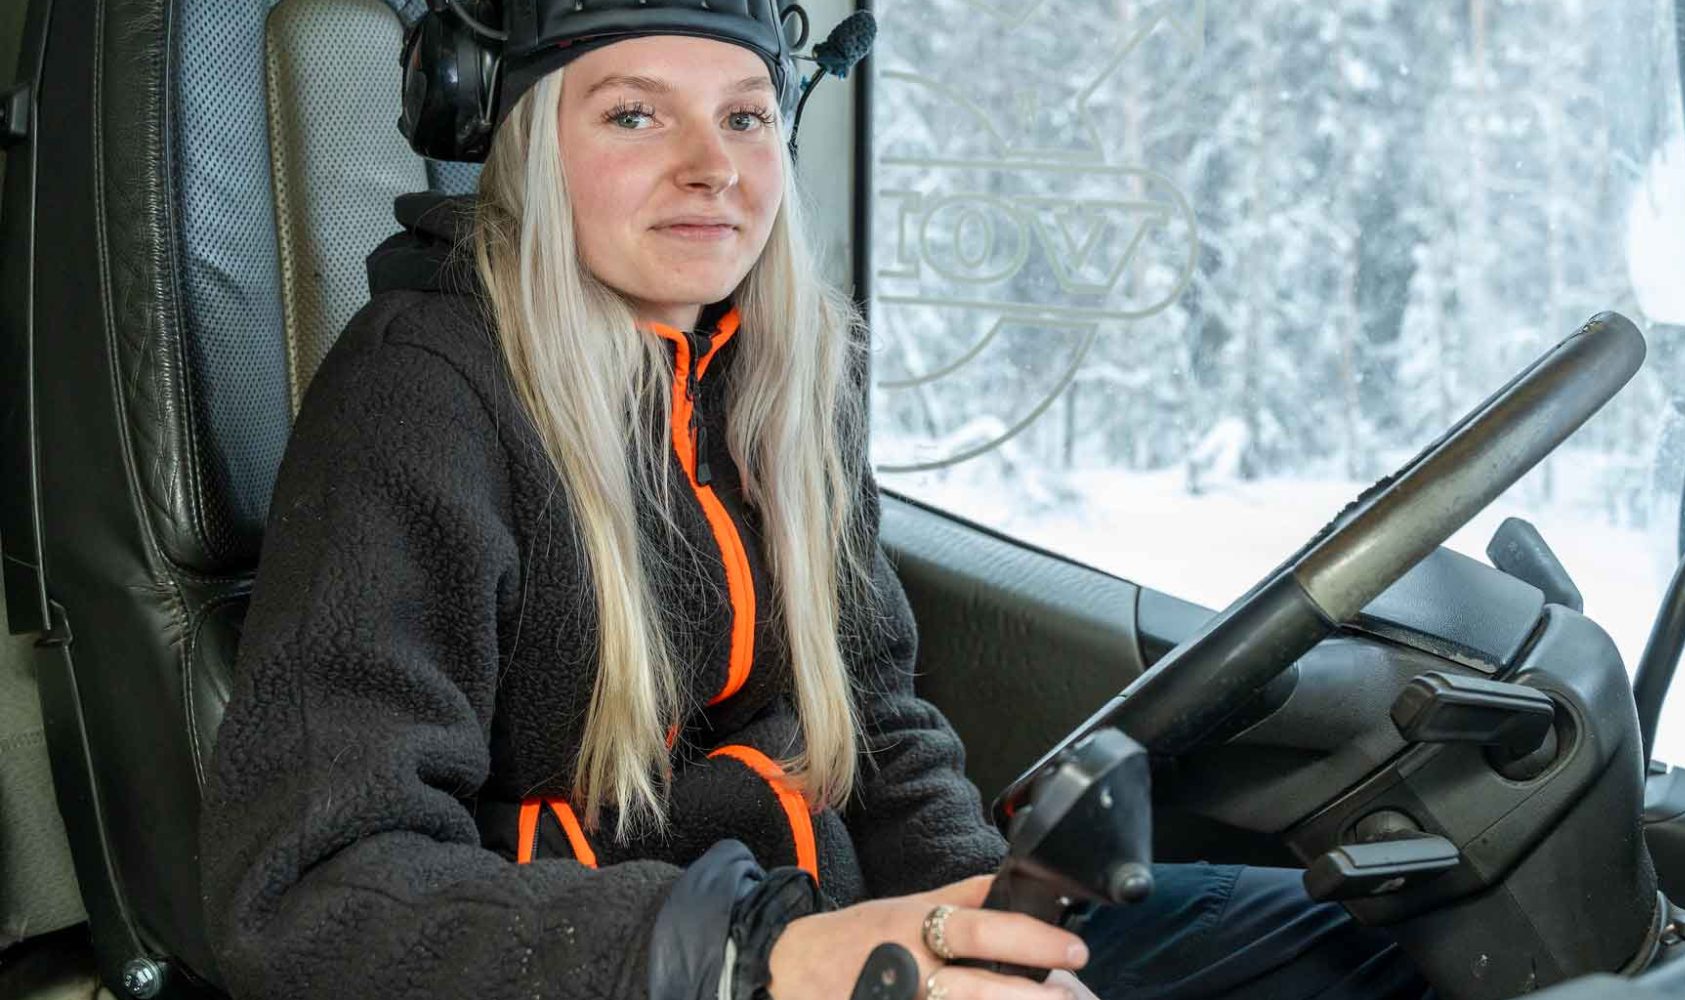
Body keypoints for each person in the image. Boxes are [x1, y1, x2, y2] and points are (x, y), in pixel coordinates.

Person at [198, 3, 1432, 999]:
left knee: (1390, 931)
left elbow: (877, 731)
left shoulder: (790, 377)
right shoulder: (420, 390)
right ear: (522, 141)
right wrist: (759, 956)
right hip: (650, 970)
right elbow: (312, 889)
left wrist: (979, 929)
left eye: (745, 116)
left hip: (851, 941)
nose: (711, 169)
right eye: (634, 115)